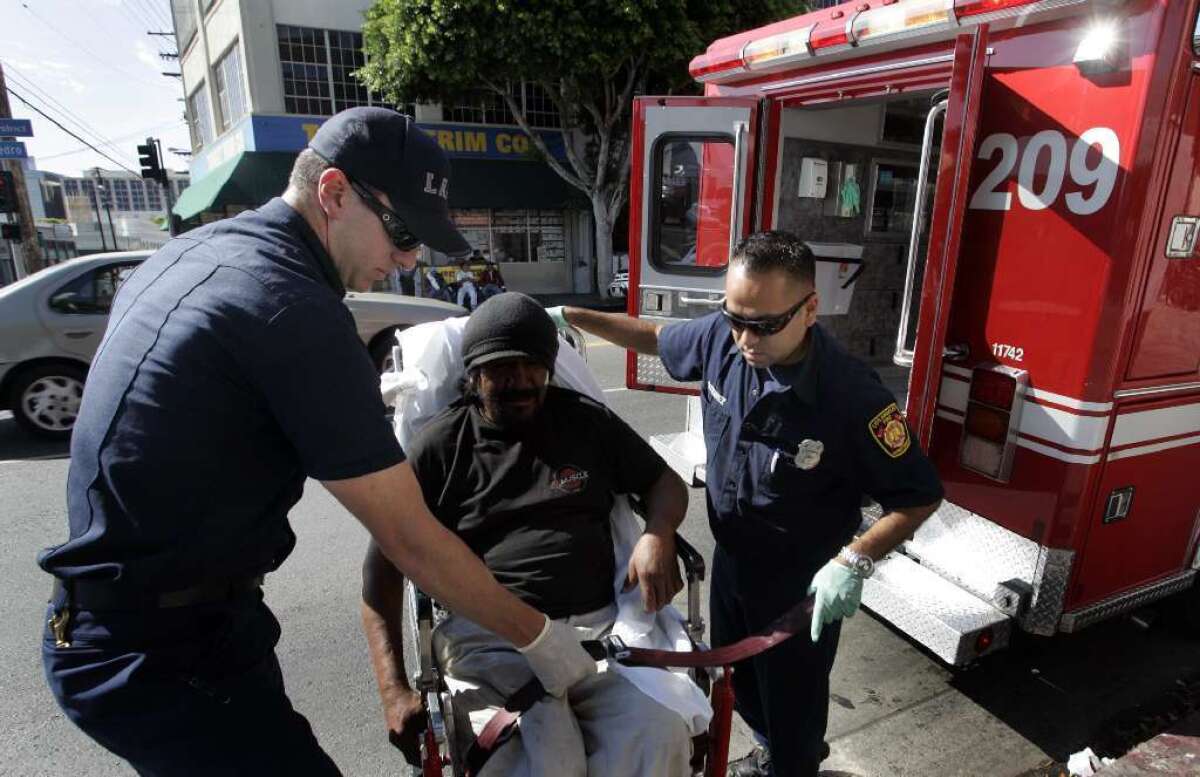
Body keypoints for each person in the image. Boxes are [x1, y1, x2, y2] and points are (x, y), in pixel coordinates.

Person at [38, 107, 596, 776]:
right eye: (400, 231)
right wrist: (540, 636)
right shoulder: (290, 306)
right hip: (152, 648)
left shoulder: (198, 250)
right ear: (332, 192)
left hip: (170, 620)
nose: (408, 259)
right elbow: (409, 539)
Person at [548, 231, 944, 777]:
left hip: (800, 586)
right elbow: (659, 338)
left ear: (809, 309)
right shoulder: (724, 337)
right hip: (734, 564)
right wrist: (574, 316)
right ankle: (768, 753)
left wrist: (854, 560)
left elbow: (920, 495)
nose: (744, 337)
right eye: (734, 317)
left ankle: (793, 765)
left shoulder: (853, 397)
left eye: (764, 325)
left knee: (793, 708)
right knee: (740, 686)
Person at [361, 292, 693, 776]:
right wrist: (393, 691)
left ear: (548, 366)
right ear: (472, 374)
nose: (518, 379)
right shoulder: (440, 447)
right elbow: (381, 569)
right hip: (491, 644)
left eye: (530, 365)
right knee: (548, 760)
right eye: (499, 368)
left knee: (659, 733)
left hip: (598, 631)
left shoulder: (585, 422)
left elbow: (663, 482)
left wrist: (658, 532)